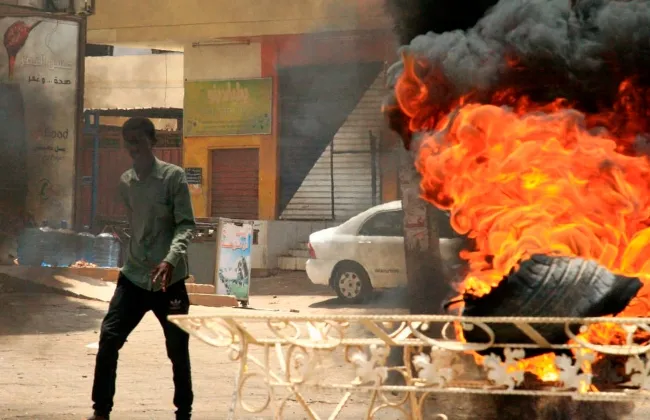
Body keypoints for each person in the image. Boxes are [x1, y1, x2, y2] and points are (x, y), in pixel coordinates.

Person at [87, 117, 195, 420]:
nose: (133, 147)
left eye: (139, 141)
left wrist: (170, 259)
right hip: (134, 276)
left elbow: (186, 225)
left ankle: (183, 412)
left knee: (177, 348)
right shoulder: (126, 182)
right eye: (129, 142)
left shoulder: (173, 178)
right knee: (109, 338)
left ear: (152, 141)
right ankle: (101, 411)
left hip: (169, 281)